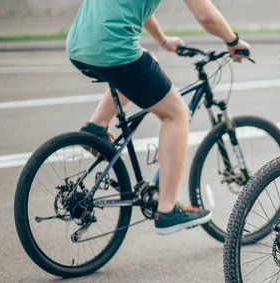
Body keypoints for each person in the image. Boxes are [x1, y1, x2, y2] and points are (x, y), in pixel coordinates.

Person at [66, 0, 251, 235]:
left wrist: (162, 40)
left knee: (142, 65)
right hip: (113, 47)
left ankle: (96, 127)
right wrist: (233, 42)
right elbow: (207, 16)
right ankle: (168, 209)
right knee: (177, 113)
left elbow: (136, 8)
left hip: (79, 45)